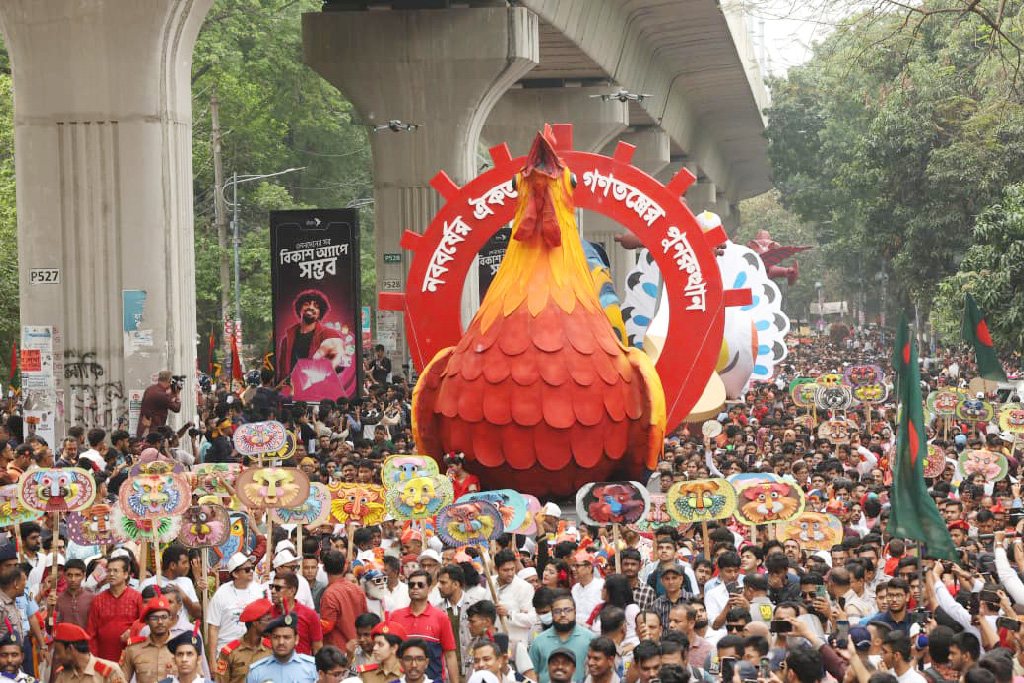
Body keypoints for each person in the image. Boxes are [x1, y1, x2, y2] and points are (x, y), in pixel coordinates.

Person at [389, 569, 460, 683]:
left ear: (430, 588)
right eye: (411, 585)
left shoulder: (441, 617)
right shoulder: (396, 616)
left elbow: (450, 655)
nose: (415, 588)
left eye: (420, 585)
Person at [205, 553, 266, 662]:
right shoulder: (221, 594)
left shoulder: (259, 591)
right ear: (235, 574)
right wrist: (212, 661)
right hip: (226, 653)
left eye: (252, 568)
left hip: (253, 653)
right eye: (247, 570)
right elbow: (213, 628)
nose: (251, 572)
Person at [276, 290, 345, 382]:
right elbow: (282, 371)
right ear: (300, 308)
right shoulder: (286, 339)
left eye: (316, 306)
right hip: (291, 392)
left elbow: (340, 358)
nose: (311, 307)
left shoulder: (330, 335)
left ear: (320, 313)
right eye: (306, 304)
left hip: (318, 390)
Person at [86, 556, 142, 662]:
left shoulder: (137, 597)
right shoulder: (98, 599)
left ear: (126, 574)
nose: (111, 574)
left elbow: (143, 625)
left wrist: (133, 632)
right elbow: (91, 632)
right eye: (109, 571)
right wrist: (94, 659)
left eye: (116, 571)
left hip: (130, 657)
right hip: (103, 658)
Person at [529, 593, 595, 683]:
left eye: (568, 610)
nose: (563, 614)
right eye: (557, 611)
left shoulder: (590, 639)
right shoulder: (539, 641)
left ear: (575, 612)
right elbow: (532, 673)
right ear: (552, 614)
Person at [120, 594, 178, 683]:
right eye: (154, 618)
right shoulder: (133, 649)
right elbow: (121, 679)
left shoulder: (181, 648)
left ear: (170, 619)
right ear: (147, 621)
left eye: (164, 617)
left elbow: (196, 679)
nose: (160, 622)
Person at [245, 613, 317, 683]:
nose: (281, 642)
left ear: (296, 639)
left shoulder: (312, 668)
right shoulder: (257, 671)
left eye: (286, 637)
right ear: (270, 639)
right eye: (276, 637)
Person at [214, 598, 273, 683]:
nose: (271, 624)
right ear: (255, 623)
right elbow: (220, 680)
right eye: (268, 620)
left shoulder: (271, 650)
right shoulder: (228, 653)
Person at [321, 550, 369, 651]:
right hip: (358, 647)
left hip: (338, 651)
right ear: (345, 567)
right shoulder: (357, 589)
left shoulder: (329, 594)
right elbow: (366, 616)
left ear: (324, 568)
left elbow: (327, 626)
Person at [52, 622, 127, 683]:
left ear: (70, 648)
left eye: (58, 652)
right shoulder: (63, 675)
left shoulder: (110, 671)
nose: (57, 657)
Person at [269, 571, 323, 655]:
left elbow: (317, 648)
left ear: (292, 591)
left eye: (278, 588)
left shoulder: (309, 615)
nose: (272, 591)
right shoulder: (267, 615)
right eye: (271, 587)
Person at [493, 549, 537, 651]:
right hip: (494, 645)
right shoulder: (490, 583)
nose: (510, 573)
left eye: (512, 569)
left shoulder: (524, 588)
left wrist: (508, 614)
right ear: (496, 569)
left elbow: (531, 619)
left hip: (516, 646)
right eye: (505, 570)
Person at [137, 371, 181, 437]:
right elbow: (177, 408)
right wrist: (177, 395)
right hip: (153, 432)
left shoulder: (149, 389)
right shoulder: (162, 395)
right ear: (169, 381)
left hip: (143, 429)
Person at [56, 558, 96, 629]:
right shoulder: (58, 599)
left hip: (85, 639)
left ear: (84, 576)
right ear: (64, 576)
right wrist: (50, 609)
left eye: (77, 575)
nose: (73, 579)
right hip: (63, 639)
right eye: (69, 575)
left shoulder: (92, 598)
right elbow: (50, 628)